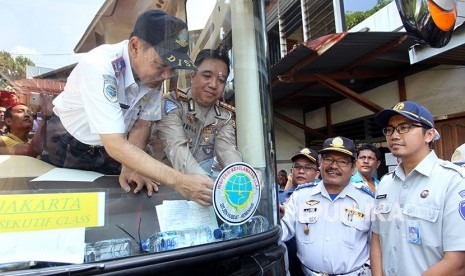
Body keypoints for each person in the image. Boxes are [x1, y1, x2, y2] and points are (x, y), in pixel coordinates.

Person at [44, 10, 214, 206]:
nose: (167, 75)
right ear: (135, 46)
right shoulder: (100, 66)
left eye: (173, 68)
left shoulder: (152, 77)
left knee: (113, 206)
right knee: (71, 207)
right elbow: (115, 143)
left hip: (109, 148)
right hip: (69, 143)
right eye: (161, 65)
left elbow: (142, 124)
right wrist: (180, 181)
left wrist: (129, 165)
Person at [371, 101, 465, 275]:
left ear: (429, 135)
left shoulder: (453, 181)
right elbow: (377, 239)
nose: (394, 135)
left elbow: (458, 261)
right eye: (389, 129)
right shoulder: (385, 183)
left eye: (404, 127)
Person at [280, 136, 373, 275]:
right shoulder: (300, 196)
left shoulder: (368, 201)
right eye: (328, 159)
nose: (334, 166)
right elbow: (281, 232)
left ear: (353, 168)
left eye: (342, 161)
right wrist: (273, 218)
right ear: (320, 162)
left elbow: (377, 246)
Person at [152, 49, 241, 176]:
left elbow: (227, 151)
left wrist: (241, 174)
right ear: (193, 76)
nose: (213, 85)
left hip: (197, 188)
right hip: (161, 185)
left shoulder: (224, 116)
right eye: (207, 76)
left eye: (221, 80)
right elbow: (176, 149)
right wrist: (204, 183)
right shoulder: (173, 103)